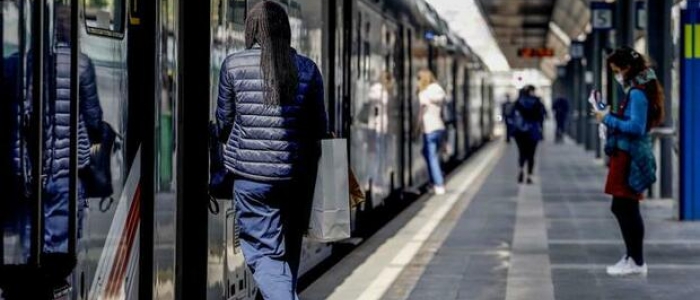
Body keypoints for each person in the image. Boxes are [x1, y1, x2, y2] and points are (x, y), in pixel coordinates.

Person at [215, 2, 328, 299]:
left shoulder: (233, 65)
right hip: (296, 180)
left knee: (265, 255)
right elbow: (319, 129)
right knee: (287, 253)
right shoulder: (308, 69)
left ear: (251, 30)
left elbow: (224, 124)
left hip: (251, 180)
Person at [2, 4, 103, 295]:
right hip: (65, 170)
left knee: (30, 241)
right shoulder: (81, 65)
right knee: (58, 252)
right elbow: (94, 118)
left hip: (26, 172)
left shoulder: (17, 64)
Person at [595, 46, 664, 277]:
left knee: (626, 207)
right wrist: (610, 116)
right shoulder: (639, 90)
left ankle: (636, 260)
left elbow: (636, 127)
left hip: (629, 156)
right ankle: (632, 257)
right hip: (625, 153)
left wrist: (608, 119)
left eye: (617, 70)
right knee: (624, 207)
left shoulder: (637, 93)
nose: (617, 74)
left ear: (627, 68)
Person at [416, 69, 447, 195]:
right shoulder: (438, 89)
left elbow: (421, 112)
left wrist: (417, 127)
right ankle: (434, 180)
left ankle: (438, 184)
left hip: (428, 128)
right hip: (439, 127)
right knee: (429, 153)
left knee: (431, 156)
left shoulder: (424, 93)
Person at [512, 85, 546, 184]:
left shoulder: (518, 102)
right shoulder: (537, 102)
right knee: (531, 154)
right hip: (533, 131)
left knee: (522, 153)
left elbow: (512, 115)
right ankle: (529, 176)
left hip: (520, 131)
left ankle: (521, 170)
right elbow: (542, 116)